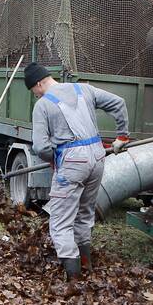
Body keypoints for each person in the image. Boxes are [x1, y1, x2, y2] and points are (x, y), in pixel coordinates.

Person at [26, 62, 129, 280]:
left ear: (38, 83)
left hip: (72, 161)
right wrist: (122, 136)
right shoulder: (85, 89)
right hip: (97, 156)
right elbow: (119, 103)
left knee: (60, 222)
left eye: (33, 91)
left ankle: (74, 279)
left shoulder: (43, 105)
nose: (34, 95)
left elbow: (40, 146)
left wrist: (54, 160)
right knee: (84, 215)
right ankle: (86, 265)